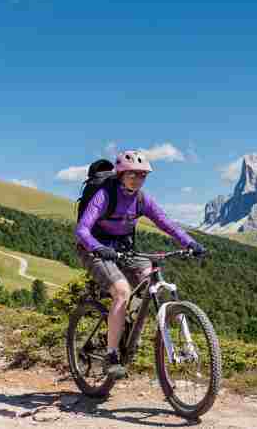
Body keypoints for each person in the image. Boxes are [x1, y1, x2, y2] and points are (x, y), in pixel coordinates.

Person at [74, 150, 205, 379]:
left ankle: (127, 329)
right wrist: (98, 247)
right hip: (94, 249)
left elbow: (167, 224)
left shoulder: (142, 199)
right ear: (122, 174)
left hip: (124, 249)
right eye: (133, 174)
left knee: (150, 281)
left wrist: (191, 243)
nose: (138, 179)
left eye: (143, 175)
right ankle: (112, 355)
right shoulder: (105, 195)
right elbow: (82, 229)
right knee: (122, 292)